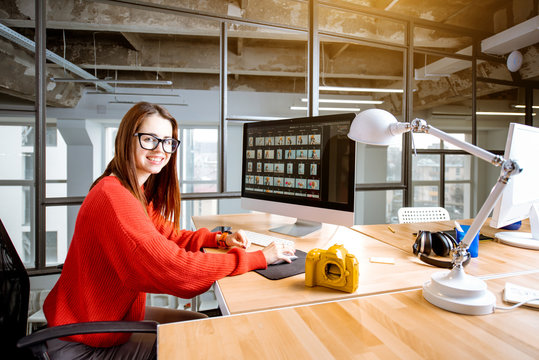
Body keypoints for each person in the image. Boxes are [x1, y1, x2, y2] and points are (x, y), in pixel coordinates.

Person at [43, 102, 295, 359]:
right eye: (149, 139)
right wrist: (258, 258)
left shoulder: (130, 191)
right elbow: (174, 269)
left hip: (104, 320)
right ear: (126, 139)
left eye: (168, 142)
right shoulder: (113, 197)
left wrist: (219, 239)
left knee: (202, 323)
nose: (160, 150)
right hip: (83, 344)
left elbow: (169, 236)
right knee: (210, 339)